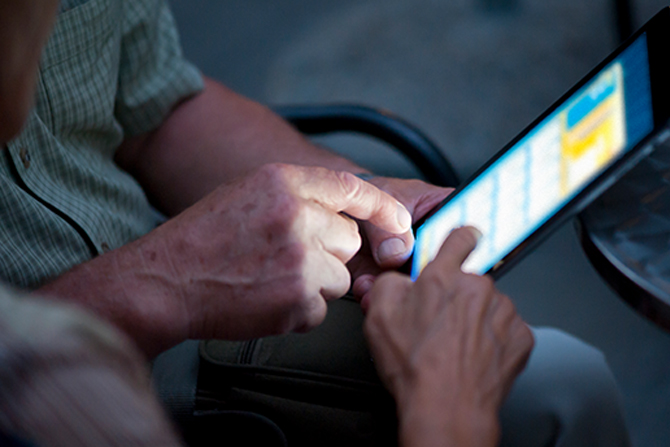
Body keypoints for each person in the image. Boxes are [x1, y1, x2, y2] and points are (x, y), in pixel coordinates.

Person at [0, 0, 631, 445]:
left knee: (564, 385)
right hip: (79, 370)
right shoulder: (69, 404)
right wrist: (447, 404)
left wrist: (353, 194)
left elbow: (152, 102)